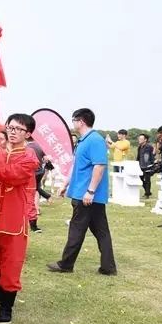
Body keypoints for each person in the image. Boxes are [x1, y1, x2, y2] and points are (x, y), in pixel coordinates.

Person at [0, 114, 40, 324]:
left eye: (19, 129)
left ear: (28, 134)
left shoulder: (29, 157)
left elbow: (10, 174)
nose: (13, 132)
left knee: (12, 265)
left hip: (13, 219)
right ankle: (2, 283)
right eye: (10, 127)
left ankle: (6, 307)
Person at [47, 108, 117, 275]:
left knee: (76, 229)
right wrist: (66, 184)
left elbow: (99, 166)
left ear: (81, 121)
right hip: (83, 193)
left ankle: (66, 264)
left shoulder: (95, 140)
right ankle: (108, 267)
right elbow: (77, 166)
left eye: (73, 120)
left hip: (87, 196)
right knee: (101, 231)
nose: (73, 124)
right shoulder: (83, 141)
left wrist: (90, 191)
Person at [136, 133, 155, 198]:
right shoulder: (139, 147)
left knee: (147, 180)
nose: (139, 140)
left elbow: (149, 157)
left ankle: (147, 194)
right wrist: (136, 163)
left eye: (141, 139)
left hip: (147, 166)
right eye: (139, 138)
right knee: (140, 179)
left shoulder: (149, 147)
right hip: (140, 165)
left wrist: (150, 166)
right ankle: (148, 192)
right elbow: (138, 156)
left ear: (145, 140)